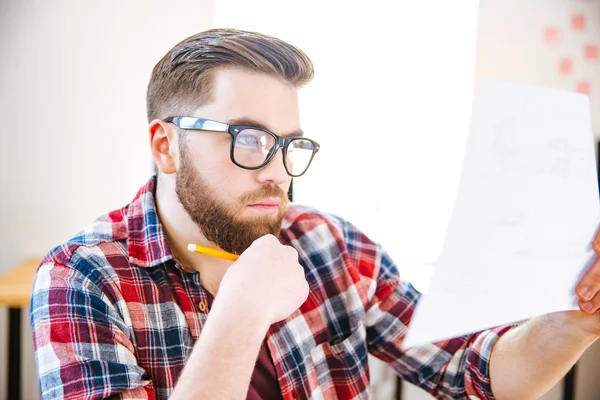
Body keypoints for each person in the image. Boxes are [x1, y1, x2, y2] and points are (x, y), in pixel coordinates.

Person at [30, 28, 600, 400]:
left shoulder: (331, 245)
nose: (277, 172)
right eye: (249, 140)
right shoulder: (80, 278)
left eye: (288, 146)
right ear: (165, 147)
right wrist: (240, 316)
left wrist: (580, 317)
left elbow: (475, 374)